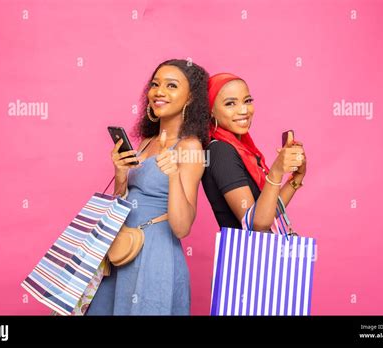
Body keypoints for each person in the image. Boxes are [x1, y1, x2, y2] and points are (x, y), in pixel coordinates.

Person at [86, 59, 209, 315]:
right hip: (121, 249)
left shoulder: (189, 148)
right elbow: (120, 203)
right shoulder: (144, 143)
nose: (159, 91)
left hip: (154, 253)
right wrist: (120, 175)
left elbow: (182, 227)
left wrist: (174, 174)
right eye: (155, 84)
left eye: (171, 85)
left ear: (189, 99)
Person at [202, 73, 307, 231]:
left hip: (257, 254)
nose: (244, 110)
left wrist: (296, 178)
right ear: (211, 111)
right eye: (230, 103)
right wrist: (276, 170)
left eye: (247, 101)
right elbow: (256, 224)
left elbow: (268, 214)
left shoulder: (242, 149)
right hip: (243, 255)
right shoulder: (221, 151)